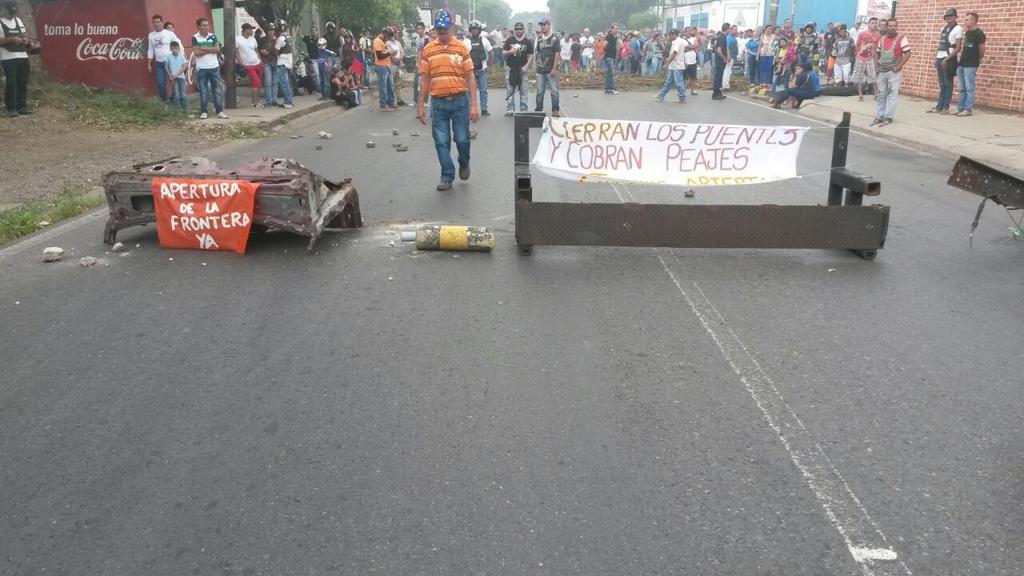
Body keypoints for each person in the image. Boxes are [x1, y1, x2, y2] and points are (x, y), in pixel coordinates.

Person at [417, 9, 479, 192]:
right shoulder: (428, 49)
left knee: (462, 140)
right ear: (435, 29)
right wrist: (421, 105)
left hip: (460, 101)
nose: (442, 33)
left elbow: (470, 77)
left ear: (451, 27)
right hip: (438, 103)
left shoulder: (461, 48)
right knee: (441, 141)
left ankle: (464, 162)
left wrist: (474, 105)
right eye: (439, 30)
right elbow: (424, 79)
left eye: (445, 30)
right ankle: (447, 175)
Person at [872, 19, 911, 126]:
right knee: (881, 94)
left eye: (894, 25)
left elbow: (908, 53)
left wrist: (899, 66)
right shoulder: (882, 38)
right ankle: (880, 116)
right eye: (890, 25)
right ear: (887, 27)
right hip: (882, 71)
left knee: (892, 95)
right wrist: (877, 66)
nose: (892, 27)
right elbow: (877, 53)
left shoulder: (902, 38)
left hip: (894, 71)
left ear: (897, 27)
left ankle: (888, 117)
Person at [191, 18, 227, 119]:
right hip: (201, 68)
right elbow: (196, 53)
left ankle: (219, 111)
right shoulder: (195, 37)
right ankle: (204, 111)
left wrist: (203, 48)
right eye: (204, 25)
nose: (206, 27)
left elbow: (217, 49)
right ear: (198, 27)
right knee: (203, 91)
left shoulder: (213, 36)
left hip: (214, 67)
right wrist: (211, 50)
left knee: (217, 90)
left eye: (207, 25)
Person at [929, 7, 963, 114]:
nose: (949, 18)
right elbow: (941, 45)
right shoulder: (943, 28)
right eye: (947, 16)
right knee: (942, 84)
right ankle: (939, 106)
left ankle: (946, 107)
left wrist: (947, 59)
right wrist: (936, 58)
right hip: (940, 57)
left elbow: (958, 47)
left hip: (949, 58)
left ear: (955, 17)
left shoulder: (958, 29)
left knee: (948, 84)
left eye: (951, 16)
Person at [955, 12, 985, 116]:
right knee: (962, 88)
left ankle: (968, 109)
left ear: (973, 20)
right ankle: (960, 108)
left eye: (967, 19)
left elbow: (982, 49)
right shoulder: (967, 32)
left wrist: (978, 59)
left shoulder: (979, 33)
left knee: (969, 88)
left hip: (971, 65)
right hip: (962, 63)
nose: (965, 21)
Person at [502, 22, 533, 115]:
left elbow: (531, 55)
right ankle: (510, 108)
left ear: (523, 30)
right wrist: (509, 51)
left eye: (520, 29)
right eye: (516, 29)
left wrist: (527, 66)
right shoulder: (510, 40)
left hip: (522, 69)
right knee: (510, 88)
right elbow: (503, 52)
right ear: (514, 30)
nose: (518, 31)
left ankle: (523, 109)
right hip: (511, 68)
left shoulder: (527, 42)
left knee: (523, 89)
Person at [147, 14, 179, 103]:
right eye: (154, 22)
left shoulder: (169, 33)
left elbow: (178, 44)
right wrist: (149, 64)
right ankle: (164, 100)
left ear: (162, 22)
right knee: (161, 83)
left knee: (174, 82)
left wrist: (179, 58)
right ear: (152, 23)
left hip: (171, 62)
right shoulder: (151, 35)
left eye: (158, 22)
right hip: (159, 63)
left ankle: (175, 101)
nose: (156, 24)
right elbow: (150, 50)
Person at [533, 17, 560, 117]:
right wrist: (536, 65)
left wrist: (554, 68)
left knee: (554, 91)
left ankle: (555, 109)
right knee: (540, 92)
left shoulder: (555, 38)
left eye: (544, 25)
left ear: (549, 26)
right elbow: (537, 52)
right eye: (541, 25)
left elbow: (557, 53)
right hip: (540, 70)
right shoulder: (538, 39)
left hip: (551, 70)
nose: (542, 27)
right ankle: (539, 110)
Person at [463, 21, 492, 116]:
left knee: (483, 90)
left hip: (482, 69)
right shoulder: (466, 42)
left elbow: (491, 53)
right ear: (470, 31)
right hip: (470, 70)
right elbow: (462, 55)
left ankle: (484, 108)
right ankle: (469, 107)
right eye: (473, 29)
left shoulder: (484, 41)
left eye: (476, 29)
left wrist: (490, 66)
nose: (475, 31)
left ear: (479, 30)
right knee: (469, 91)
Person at [653, 29, 686, 103]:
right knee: (669, 82)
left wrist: (667, 64)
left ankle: (682, 96)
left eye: (671, 34)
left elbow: (674, 53)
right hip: (674, 65)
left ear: (674, 34)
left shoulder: (677, 42)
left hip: (677, 65)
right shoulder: (680, 41)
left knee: (678, 82)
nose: (669, 36)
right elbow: (685, 48)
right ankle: (661, 95)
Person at [236, 23, 264, 107]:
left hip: (257, 63)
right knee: (256, 82)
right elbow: (236, 52)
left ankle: (257, 102)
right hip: (248, 65)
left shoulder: (253, 39)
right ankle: (255, 103)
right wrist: (241, 63)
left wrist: (260, 61)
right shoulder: (238, 39)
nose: (252, 31)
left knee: (258, 84)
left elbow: (256, 51)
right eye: (250, 29)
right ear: (246, 30)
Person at [852, 16, 879, 101]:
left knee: (873, 76)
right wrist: (857, 55)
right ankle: (860, 95)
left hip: (870, 58)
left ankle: (876, 94)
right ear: (868, 24)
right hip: (860, 58)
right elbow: (857, 45)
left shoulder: (878, 35)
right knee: (859, 77)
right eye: (872, 23)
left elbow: (876, 49)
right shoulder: (862, 34)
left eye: (876, 23)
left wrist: (876, 61)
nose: (874, 24)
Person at [273, 23, 295, 109]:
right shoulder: (288, 36)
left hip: (282, 63)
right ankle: (288, 101)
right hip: (288, 63)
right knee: (286, 83)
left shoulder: (280, 38)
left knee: (284, 83)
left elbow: (276, 51)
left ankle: (288, 102)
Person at [373, 27, 396, 110]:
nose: (389, 39)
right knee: (383, 86)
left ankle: (391, 102)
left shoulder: (384, 42)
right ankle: (383, 103)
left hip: (387, 65)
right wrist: (389, 53)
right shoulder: (377, 41)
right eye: (389, 37)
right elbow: (379, 56)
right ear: (385, 34)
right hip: (381, 65)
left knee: (390, 85)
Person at [165, 41, 189, 114]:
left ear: (179, 49)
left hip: (181, 78)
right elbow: (166, 66)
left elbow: (185, 67)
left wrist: (177, 74)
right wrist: (170, 75)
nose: (174, 50)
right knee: (176, 94)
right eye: (173, 48)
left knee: (183, 94)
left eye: (176, 48)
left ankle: (186, 110)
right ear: (170, 49)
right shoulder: (169, 57)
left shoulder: (181, 57)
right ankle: (176, 111)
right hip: (173, 79)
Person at [386, 28, 407, 107]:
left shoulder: (398, 43)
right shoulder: (387, 43)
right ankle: (390, 101)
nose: (397, 34)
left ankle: (399, 99)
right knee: (391, 84)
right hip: (391, 65)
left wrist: (400, 59)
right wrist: (394, 60)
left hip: (398, 65)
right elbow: (388, 54)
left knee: (398, 84)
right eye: (396, 33)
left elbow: (402, 52)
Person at [712, 22, 730, 100]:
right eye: (729, 28)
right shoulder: (722, 37)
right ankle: (715, 94)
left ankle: (718, 92)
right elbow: (718, 50)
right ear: (727, 29)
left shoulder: (722, 37)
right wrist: (724, 58)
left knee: (719, 76)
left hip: (720, 60)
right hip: (720, 61)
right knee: (718, 77)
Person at [413, 21, 428, 103]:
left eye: (420, 29)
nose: (419, 30)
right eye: (417, 29)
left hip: (425, 64)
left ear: (424, 29)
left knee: (424, 83)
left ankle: (425, 101)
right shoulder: (416, 39)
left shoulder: (426, 39)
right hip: (417, 63)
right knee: (416, 83)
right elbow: (417, 52)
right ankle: (416, 100)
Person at [603, 23, 620, 94]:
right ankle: (611, 88)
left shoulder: (615, 37)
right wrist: (606, 50)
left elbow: (615, 46)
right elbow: (604, 44)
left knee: (609, 73)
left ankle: (607, 89)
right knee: (612, 72)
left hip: (613, 56)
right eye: (615, 28)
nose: (616, 30)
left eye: (617, 28)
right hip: (608, 57)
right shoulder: (609, 36)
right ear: (611, 29)